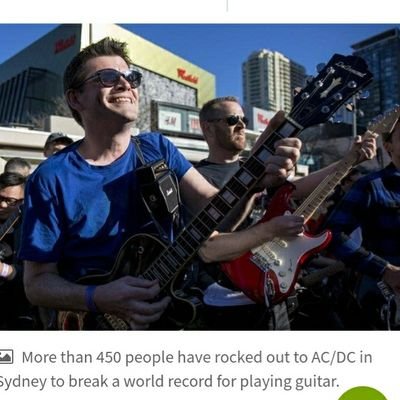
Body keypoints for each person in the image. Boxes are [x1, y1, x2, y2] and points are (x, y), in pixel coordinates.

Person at [18, 37, 301, 330]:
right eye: (107, 77)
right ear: (75, 98)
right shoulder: (51, 177)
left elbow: (216, 212)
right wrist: (99, 297)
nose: (125, 84)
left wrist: (253, 182)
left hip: (168, 316)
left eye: (131, 77)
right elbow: (37, 283)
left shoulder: (157, 148)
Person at [194, 96, 377, 330]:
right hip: (225, 299)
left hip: (274, 288)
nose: (241, 125)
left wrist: (350, 160)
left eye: (244, 119)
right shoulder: (194, 178)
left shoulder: (261, 169)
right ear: (208, 127)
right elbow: (204, 242)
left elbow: (303, 186)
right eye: (232, 120)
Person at [327, 118, 400, 329]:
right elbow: (333, 234)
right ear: (388, 146)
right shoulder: (371, 186)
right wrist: (384, 270)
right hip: (386, 299)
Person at [0, 172, 37, 329]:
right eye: (0, 198)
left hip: (15, 307)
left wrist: (4, 270)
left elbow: (36, 276)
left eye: (10, 201)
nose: (2, 205)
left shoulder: (30, 228)